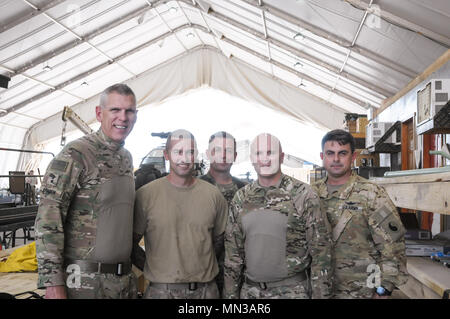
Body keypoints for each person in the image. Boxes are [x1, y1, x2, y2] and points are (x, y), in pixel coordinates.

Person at [35, 83, 138, 299]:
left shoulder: (126, 158)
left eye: (129, 111)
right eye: (115, 110)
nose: (123, 117)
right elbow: (49, 216)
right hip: (84, 284)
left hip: (122, 283)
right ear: (99, 113)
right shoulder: (76, 154)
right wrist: (53, 283)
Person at [224, 133, 332, 299]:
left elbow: (321, 253)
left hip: (292, 292)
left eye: (270, 153)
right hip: (250, 293)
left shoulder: (303, 195)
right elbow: (233, 256)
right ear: (251, 158)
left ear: (281, 157)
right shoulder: (241, 198)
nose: (264, 159)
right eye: (258, 153)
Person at [312, 129, 408, 299]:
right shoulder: (310, 194)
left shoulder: (372, 193)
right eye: (330, 153)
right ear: (322, 156)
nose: (335, 159)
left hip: (362, 291)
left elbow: (393, 244)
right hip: (318, 290)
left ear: (353, 156)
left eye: (342, 153)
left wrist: (384, 288)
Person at [132, 129, 228, 299]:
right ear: (166, 155)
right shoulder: (145, 195)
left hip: (205, 291)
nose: (184, 158)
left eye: (190, 152)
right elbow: (130, 244)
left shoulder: (213, 195)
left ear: (196, 155)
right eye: (178, 152)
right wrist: (156, 267)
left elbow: (219, 244)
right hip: (161, 291)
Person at [200, 131, 247, 296]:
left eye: (228, 150)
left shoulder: (246, 190)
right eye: (217, 149)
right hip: (203, 277)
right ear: (208, 154)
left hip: (239, 276)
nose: (223, 155)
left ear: (235, 155)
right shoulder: (195, 188)